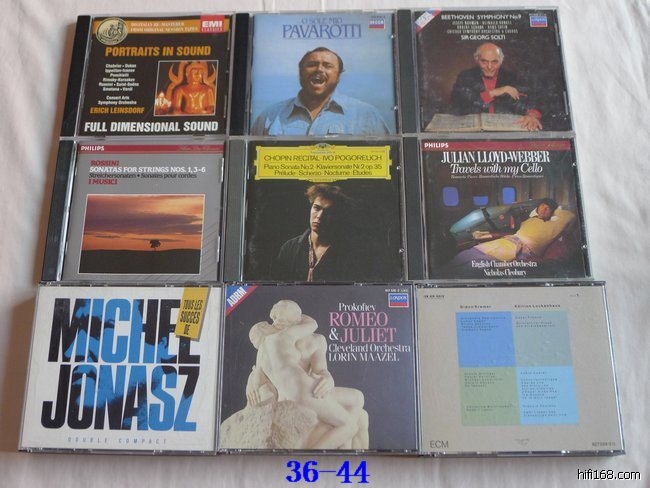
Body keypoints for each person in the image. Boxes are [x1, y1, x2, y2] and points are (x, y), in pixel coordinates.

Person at [245, 300, 369, 449]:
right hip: (305, 391)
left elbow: (320, 370)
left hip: (298, 393)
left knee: (360, 413)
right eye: (272, 320)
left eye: (276, 316)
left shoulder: (310, 340)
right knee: (353, 415)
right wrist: (252, 387)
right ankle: (329, 450)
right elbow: (312, 323)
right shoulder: (281, 337)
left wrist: (327, 377)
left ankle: (342, 447)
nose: (273, 321)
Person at [251, 47, 390, 136]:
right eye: (312, 65)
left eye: (327, 65)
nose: (319, 69)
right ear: (300, 73)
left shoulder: (366, 115)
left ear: (338, 76)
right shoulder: (270, 116)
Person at [446, 198, 576, 268]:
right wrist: (488, 235)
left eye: (548, 209)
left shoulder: (553, 225)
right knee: (468, 254)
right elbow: (516, 233)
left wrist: (555, 210)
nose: (543, 210)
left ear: (552, 212)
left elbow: (569, 215)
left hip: (523, 249)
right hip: (508, 241)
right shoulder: (530, 220)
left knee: (476, 265)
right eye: (542, 206)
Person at [271, 184, 363, 281]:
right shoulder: (289, 248)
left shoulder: (349, 253)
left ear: (337, 216)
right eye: (316, 208)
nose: (319, 216)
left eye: (329, 211)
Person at [450, 42, 543, 131]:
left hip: (503, 132)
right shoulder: (465, 77)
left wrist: (532, 115)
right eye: (484, 62)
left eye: (494, 62)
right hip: (474, 132)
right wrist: (495, 92)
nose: (490, 67)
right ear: (477, 60)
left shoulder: (511, 77)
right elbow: (459, 105)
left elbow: (529, 102)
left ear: (500, 61)